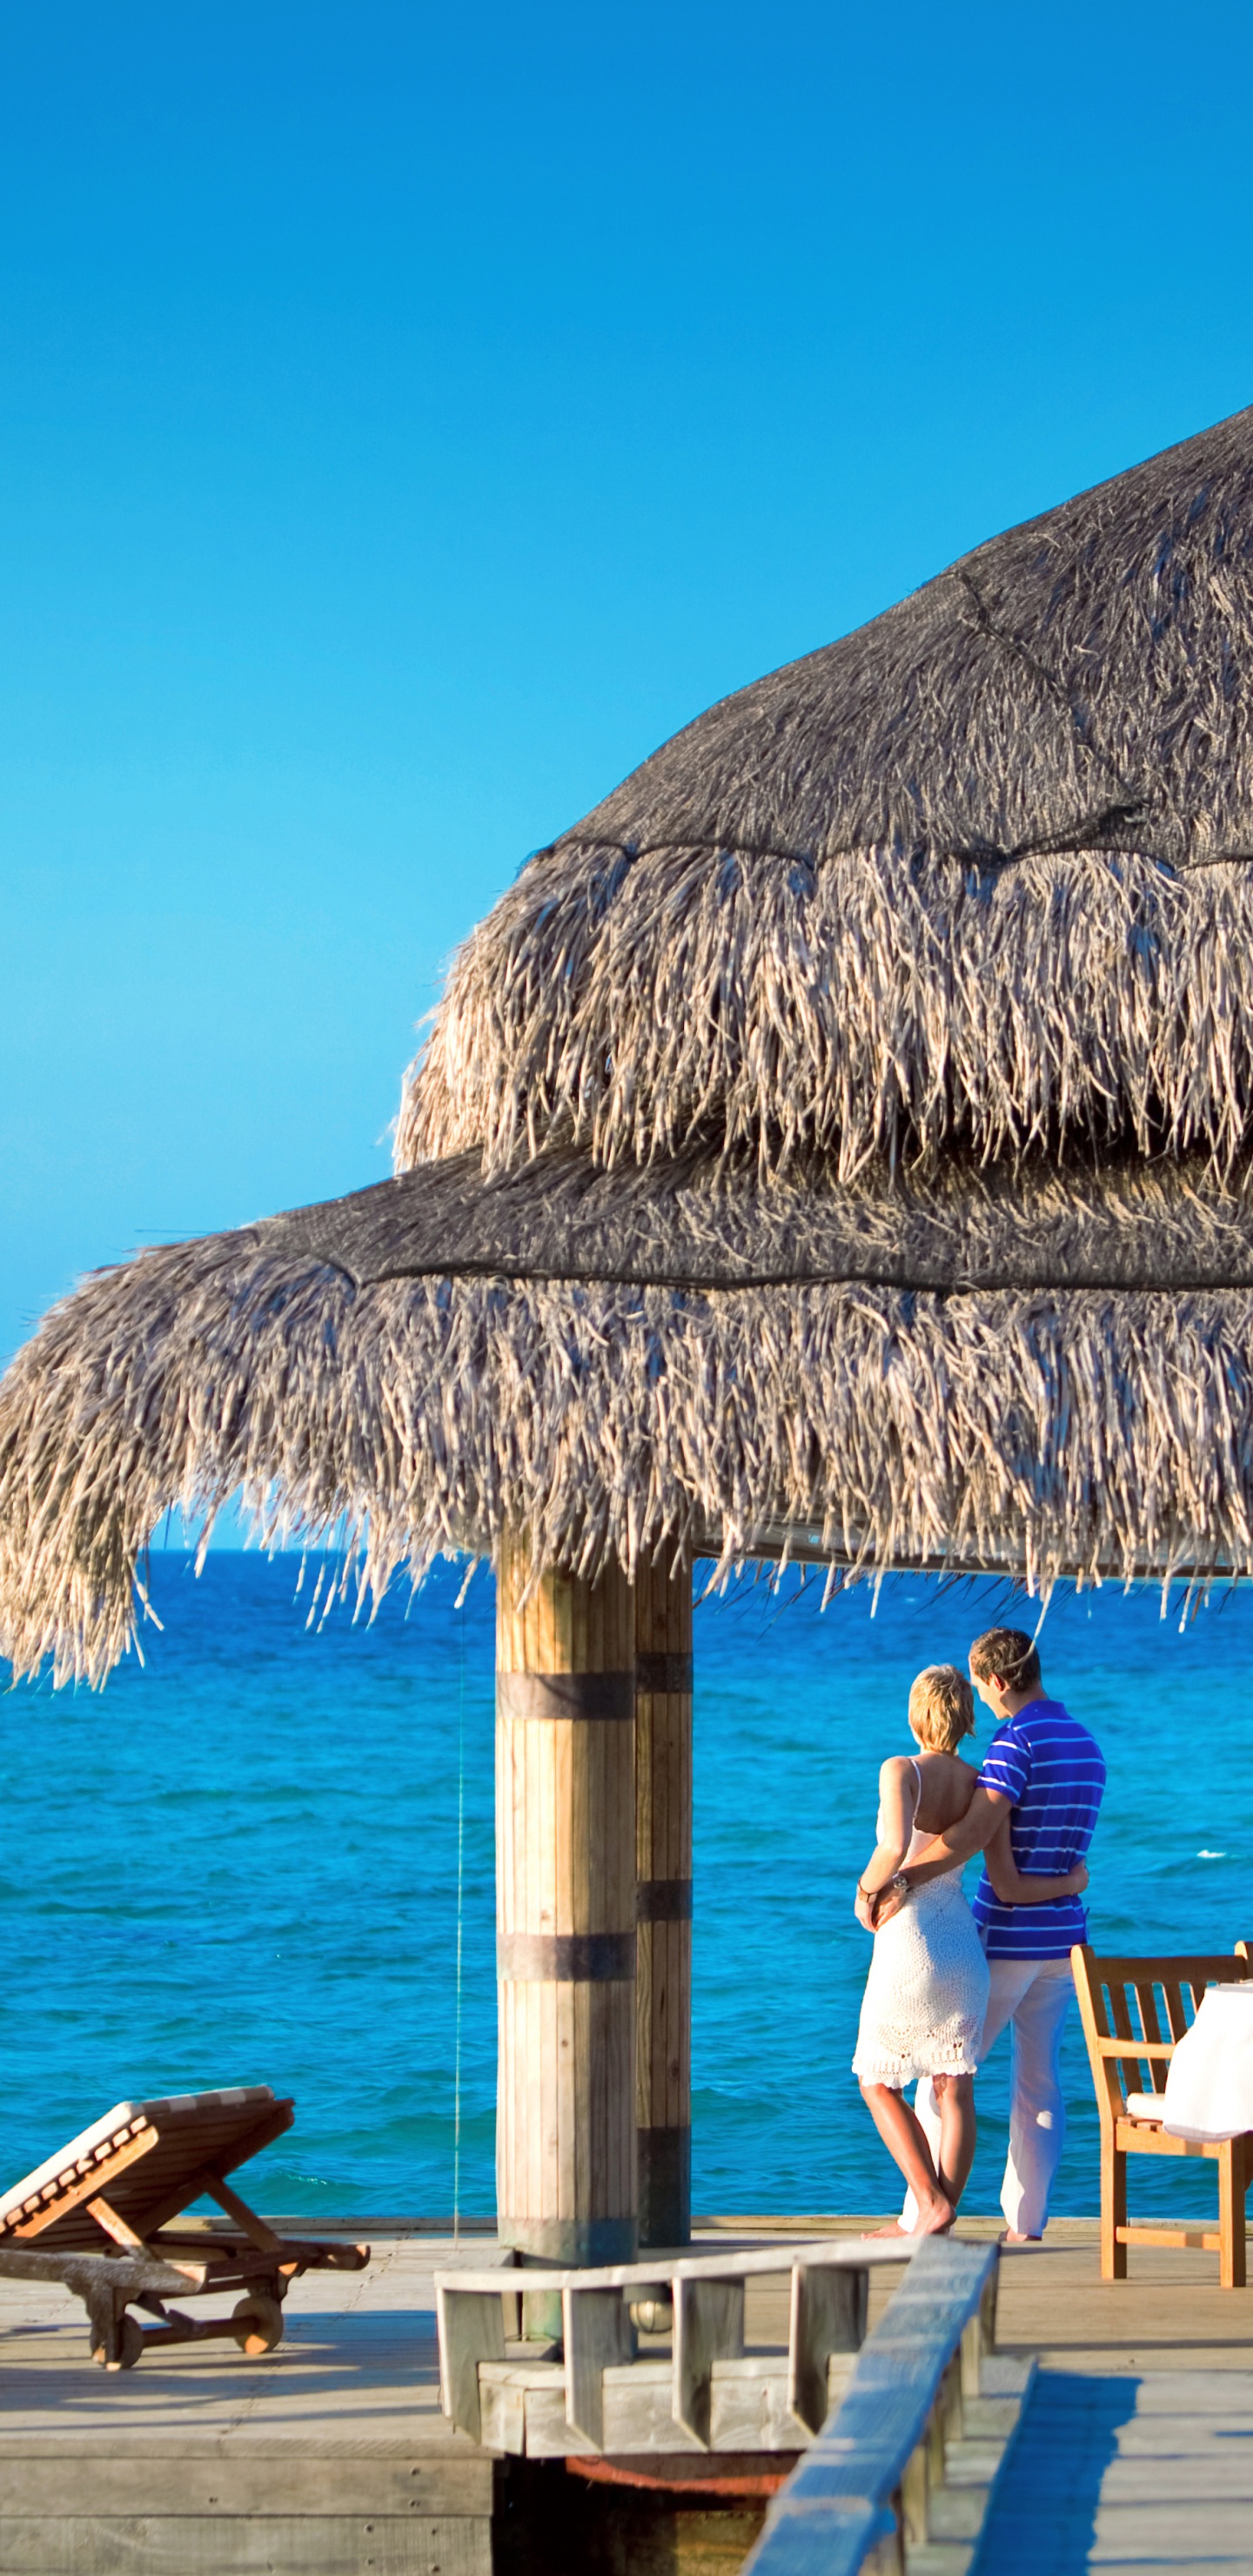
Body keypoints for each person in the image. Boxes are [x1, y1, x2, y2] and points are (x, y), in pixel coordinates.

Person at [867, 1626, 1106, 2244]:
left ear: (997, 1680)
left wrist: (899, 1882)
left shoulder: (1014, 1743)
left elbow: (979, 1842)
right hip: (1066, 1941)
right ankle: (1026, 2225)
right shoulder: (1086, 1744)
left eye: (979, 1686)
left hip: (1006, 1939)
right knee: (1039, 2082)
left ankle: (922, 2215)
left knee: (941, 2080)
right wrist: (1072, 1883)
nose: (980, 1699)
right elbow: (1063, 1854)